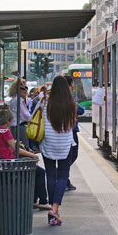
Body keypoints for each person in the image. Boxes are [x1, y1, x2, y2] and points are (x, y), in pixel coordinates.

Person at [0, 106, 51, 210]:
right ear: (8, 121)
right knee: (39, 172)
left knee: (34, 171)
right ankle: (42, 201)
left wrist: (14, 143)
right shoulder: (6, 131)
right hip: (10, 163)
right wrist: (33, 155)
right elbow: (16, 150)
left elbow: (4, 144)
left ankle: (34, 199)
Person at [38, 76, 77, 226]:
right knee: (62, 176)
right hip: (64, 144)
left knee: (50, 176)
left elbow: (35, 116)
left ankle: (52, 210)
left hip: (48, 143)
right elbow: (73, 123)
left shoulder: (44, 101)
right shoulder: (71, 103)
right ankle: (54, 209)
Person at [64, 75, 85, 191]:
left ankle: (64, 178)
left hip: (59, 131)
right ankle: (64, 178)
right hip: (70, 131)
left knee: (66, 157)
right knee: (72, 155)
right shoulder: (68, 96)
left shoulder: (55, 95)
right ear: (71, 84)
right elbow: (80, 110)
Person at [9, 80, 31, 149]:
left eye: (26, 88)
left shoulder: (15, 99)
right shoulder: (18, 100)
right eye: (22, 88)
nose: (25, 90)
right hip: (19, 128)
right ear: (16, 89)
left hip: (15, 127)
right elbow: (26, 116)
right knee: (24, 148)